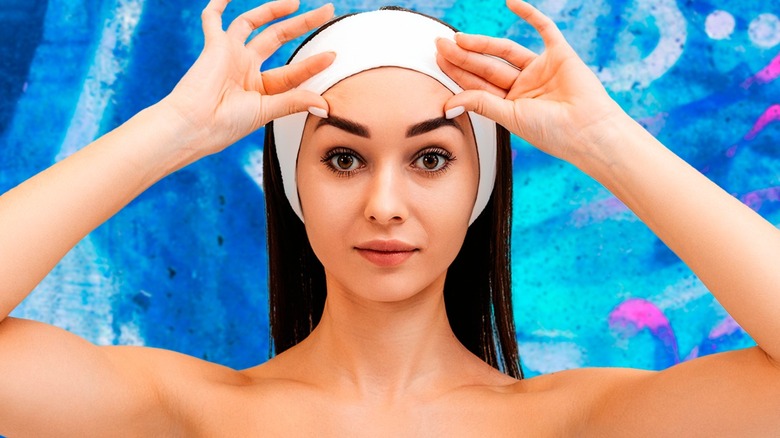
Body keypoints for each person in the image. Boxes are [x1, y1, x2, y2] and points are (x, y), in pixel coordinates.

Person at [0, 0, 778, 436]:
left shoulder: (577, 423)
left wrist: (607, 143)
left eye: (431, 158)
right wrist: (170, 132)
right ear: (294, 183)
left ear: (480, 186)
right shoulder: (184, 415)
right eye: (342, 158)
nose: (384, 202)